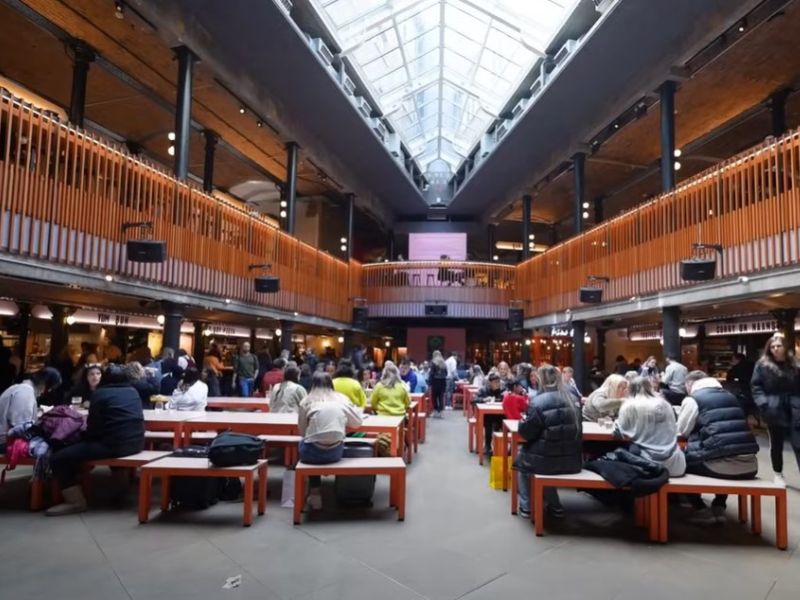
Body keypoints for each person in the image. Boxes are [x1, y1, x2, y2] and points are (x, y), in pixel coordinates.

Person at [46, 365, 145, 516]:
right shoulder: (133, 392)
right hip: (137, 443)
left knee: (58, 458)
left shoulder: (100, 394)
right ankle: (120, 489)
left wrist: (81, 437)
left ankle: (75, 502)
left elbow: (94, 428)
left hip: (113, 445)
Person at [677, 370, 759, 523]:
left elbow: (681, 431)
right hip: (750, 465)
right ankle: (719, 505)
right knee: (725, 450)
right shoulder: (730, 396)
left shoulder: (694, 399)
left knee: (678, 463)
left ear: (690, 384)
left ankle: (700, 509)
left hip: (720, 467)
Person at [515, 364, 582, 519]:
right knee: (548, 455)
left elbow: (527, 433)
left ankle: (526, 507)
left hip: (547, 463)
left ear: (541, 380)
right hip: (573, 461)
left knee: (523, 460)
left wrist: (522, 421)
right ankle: (555, 505)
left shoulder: (538, 402)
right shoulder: (573, 399)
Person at [297, 372, 363, 511]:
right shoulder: (341, 400)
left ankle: (314, 493)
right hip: (335, 452)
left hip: (311, 454)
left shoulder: (307, 401)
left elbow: (302, 432)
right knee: (324, 442)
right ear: (331, 384)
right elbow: (357, 423)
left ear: (313, 384)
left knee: (306, 443)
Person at [751, 334, 800, 485]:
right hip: (773, 406)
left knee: (798, 443)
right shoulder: (762, 365)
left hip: (794, 406)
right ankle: (778, 473)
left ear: (785, 347)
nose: (775, 349)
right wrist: (764, 404)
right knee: (776, 443)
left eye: (778, 346)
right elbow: (756, 386)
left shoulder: (795, 364)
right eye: (772, 347)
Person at [614, 376, 685, 476]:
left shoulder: (630, 405)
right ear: (650, 387)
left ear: (631, 389)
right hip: (676, 465)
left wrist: (616, 423)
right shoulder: (665, 404)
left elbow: (618, 432)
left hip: (648, 467)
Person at [0, 368, 61, 447]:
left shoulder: (23, 389)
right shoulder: (25, 392)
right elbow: (20, 427)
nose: (48, 391)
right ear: (43, 383)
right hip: (4, 442)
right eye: (50, 388)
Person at [475, 372, 505, 456]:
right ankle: (487, 445)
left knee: (504, 422)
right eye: (495, 382)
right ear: (490, 383)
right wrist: (484, 400)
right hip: (487, 415)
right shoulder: (484, 390)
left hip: (499, 414)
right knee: (488, 422)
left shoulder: (502, 390)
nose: (497, 384)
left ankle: (501, 446)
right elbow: (473, 400)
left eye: (498, 382)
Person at [429, 350, 448, 418]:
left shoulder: (433, 362)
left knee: (434, 397)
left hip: (435, 381)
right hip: (443, 381)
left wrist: (430, 382)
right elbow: (446, 373)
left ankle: (435, 411)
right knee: (441, 397)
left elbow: (431, 373)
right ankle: (442, 412)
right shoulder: (444, 363)